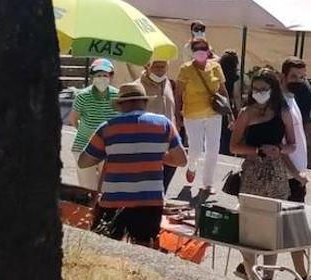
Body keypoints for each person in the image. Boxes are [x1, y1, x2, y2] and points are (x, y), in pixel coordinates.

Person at [78, 81, 187, 248]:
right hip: (150, 201)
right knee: (144, 250)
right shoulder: (163, 124)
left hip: (114, 200)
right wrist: (153, 154)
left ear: (120, 105)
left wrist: (112, 152)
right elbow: (181, 160)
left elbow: (84, 162)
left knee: (104, 249)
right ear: (144, 102)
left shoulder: (108, 128)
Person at [229, 70, 302, 280]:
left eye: (264, 89)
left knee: (273, 228)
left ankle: (268, 278)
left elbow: (292, 144)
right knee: (248, 227)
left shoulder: (283, 111)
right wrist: (257, 150)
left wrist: (279, 149)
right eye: (256, 89)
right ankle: (252, 276)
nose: (259, 93)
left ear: (273, 89)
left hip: (276, 174)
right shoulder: (246, 113)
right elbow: (234, 145)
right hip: (252, 173)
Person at [175, 38, 230, 201]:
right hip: (192, 114)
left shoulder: (216, 66)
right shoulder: (185, 69)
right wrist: (178, 115)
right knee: (196, 149)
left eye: (203, 49)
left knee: (213, 149)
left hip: (214, 113)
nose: (200, 52)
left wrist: (230, 114)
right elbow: (178, 94)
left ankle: (208, 183)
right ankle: (191, 167)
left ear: (208, 51)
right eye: (197, 49)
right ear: (192, 52)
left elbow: (223, 91)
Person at [280, 57, 311, 280]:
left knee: (291, 227)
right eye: (294, 77)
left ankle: (301, 276)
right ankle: (302, 277)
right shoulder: (281, 104)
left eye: (302, 77)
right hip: (289, 177)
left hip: (295, 174)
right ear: (283, 76)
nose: (299, 81)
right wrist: (295, 174)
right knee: (296, 228)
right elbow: (280, 146)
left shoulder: (292, 101)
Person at [139, 58, 180, 191]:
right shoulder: (138, 87)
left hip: (168, 142)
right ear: (147, 67)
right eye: (156, 67)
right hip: (148, 145)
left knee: (163, 186)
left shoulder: (167, 83)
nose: (160, 70)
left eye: (163, 67)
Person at [69, 58, 119, 157]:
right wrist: (84, 133)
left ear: (111, 77)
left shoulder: (117, 96)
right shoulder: (82, 96)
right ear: (92, 77)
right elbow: (73, 119)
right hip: (84, 146)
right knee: (86, 172)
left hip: (109, 147)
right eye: (98, 76)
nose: (102, 78)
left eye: (105, 75)